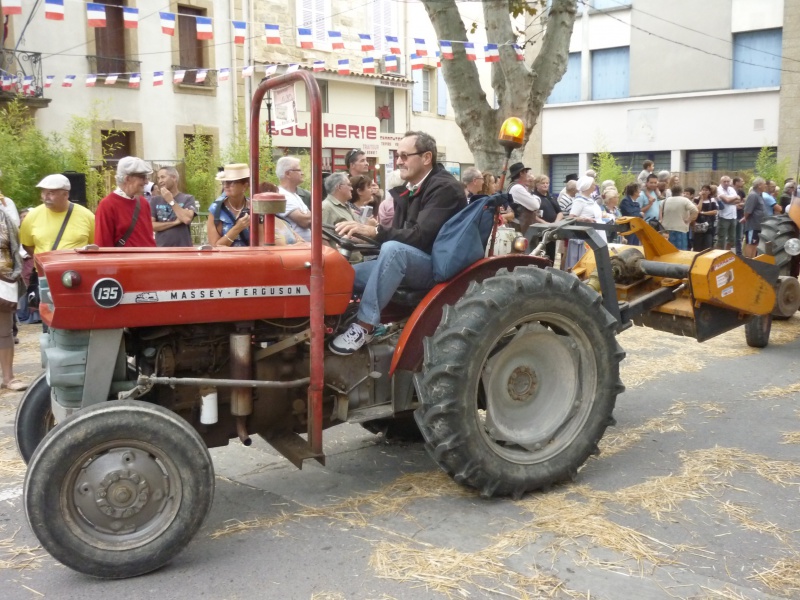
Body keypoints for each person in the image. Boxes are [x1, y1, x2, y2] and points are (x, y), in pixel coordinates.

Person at [329, 130, 465, 355]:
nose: (399, 161)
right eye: (397, 156)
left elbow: (419, 237)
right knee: (342, 273)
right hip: (414, 260)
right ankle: (331, 322)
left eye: (404, 156)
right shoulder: (413, 188)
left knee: (393, 250)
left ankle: (365, 326)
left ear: (426, 157)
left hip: (438, 265)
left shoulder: (444, 188)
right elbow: (402, 232)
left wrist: (375, 231)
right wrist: (363, 233)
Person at [21, 174, 95, 256]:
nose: (45, 197)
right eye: (43, 192)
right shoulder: (32, 216)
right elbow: (27, 245)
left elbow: (96, 245)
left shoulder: (87, 216)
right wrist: (43, 261)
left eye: (51, 193)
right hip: (45, 268)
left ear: (66, 195)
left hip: (77, 268)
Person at [95, 157, 156, 248]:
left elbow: (148, 238)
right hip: (124, 261)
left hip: (148, 260)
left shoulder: (143, 203)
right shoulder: (107, 205)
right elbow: (103, 245)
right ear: (127, 178)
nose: (147, 182)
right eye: (142, 177)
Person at [0, 206, 26, 390]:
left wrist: (13, 275)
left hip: (3, 278)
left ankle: (8, 378)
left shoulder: (5, 217)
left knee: (4, 330)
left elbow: (15, 246)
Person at [150, 166, 197, 247]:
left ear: (174, 178)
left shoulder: (187, 198)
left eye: (163, 177)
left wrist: (171, 201)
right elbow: (151, 226)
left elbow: (186, 219)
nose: (160, 181)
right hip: (161, 250)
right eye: (158, 178)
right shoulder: (155, 200)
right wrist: (175, 222)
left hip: (183, 250)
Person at [207, 163, 251, 247]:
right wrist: (238, 228)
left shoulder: (254, 208)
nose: (226, 185)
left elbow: (261, 243)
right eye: (224, 181)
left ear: (244, 186)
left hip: (250, 259)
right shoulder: (216, 209)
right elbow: (215, 247)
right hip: (225, 259)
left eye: (231, 182)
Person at [566, 176, 603, 270]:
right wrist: (584, 219)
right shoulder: (579, 201)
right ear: (587, 186)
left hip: (592, 232)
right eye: (593, 184)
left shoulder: (590, 199)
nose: (595, 186)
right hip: (582, 235)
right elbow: (571, 217)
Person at [277, 156, 311, 242]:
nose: (302, 173)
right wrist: (307, 215)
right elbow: (306, 221)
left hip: (305, 247)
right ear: (288, 174)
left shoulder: (295, 195)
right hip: (295, 249)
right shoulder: (281, 195)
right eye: (299, 170)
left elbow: (310, 218)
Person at [531, 174, 562, 262]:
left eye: (547, 183)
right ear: (537, 185)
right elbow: (533, 216)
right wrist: (546, 224)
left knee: (551, 255)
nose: (545, 185)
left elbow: (559, 212)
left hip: (552, 230)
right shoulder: (534, 198)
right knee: (540, 254)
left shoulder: (551, 197)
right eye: (543, 183)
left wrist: (555, 223)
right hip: (540, 232)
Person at [659, 185, 698, 250]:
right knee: (680, 251)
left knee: (667, 250)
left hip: (666, 230)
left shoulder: (664, 201)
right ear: (681, 192)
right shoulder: (685, 200)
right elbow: (695, 210)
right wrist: (688, 220)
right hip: (680, 229)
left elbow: (661, 215)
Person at [506, 162, 540, 234]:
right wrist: (536, 198)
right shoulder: (517, 188)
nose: (528, 174)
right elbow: (536, 205)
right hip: (520, 227)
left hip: (521, 226)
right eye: (526, 172)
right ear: (521, 173)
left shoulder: (516, 187)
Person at [742, 177, 767, 259]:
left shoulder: (759, 195)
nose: (765, 186)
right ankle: (749, 260)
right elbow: (748, 210)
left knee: (755, 244)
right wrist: (745, 217)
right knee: (751, 243)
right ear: (759, 185)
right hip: (753, 224)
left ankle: (753, 260)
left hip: (759, 225)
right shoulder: (753, 195)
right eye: (764, 184)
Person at [715, 176, 739, 250]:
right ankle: (718, 255)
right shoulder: (718, 190)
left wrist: (729, 200)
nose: (726, 183)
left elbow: (739, 200)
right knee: (721, 238)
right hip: (723, 216)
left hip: (733, 216)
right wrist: (732, 199)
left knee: (732, 238)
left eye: (728, 181)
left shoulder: (731, 189)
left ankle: (728, 254)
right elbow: (727, 200)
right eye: (724, 181)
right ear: (720, 182)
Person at [692, 185, 718, 252]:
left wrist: (703, 213)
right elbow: (697, 210)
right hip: (698, 225)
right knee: (697, 245)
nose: (704, 192)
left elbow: (715, 211)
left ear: (709, 192)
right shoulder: (696, 199)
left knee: (708, 244)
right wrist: (701, 199)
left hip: (708, 225)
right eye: (703, 190)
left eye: (706, 190)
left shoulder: (712, 200)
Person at [619, 181, 643, 246]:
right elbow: (631, 214)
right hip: (628, 228)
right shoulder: (625, 201)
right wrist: (640, 214)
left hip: (635, 228)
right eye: (639, 189)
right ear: (634, 191)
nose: (640, 191)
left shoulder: (636, 202)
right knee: (629, 245)